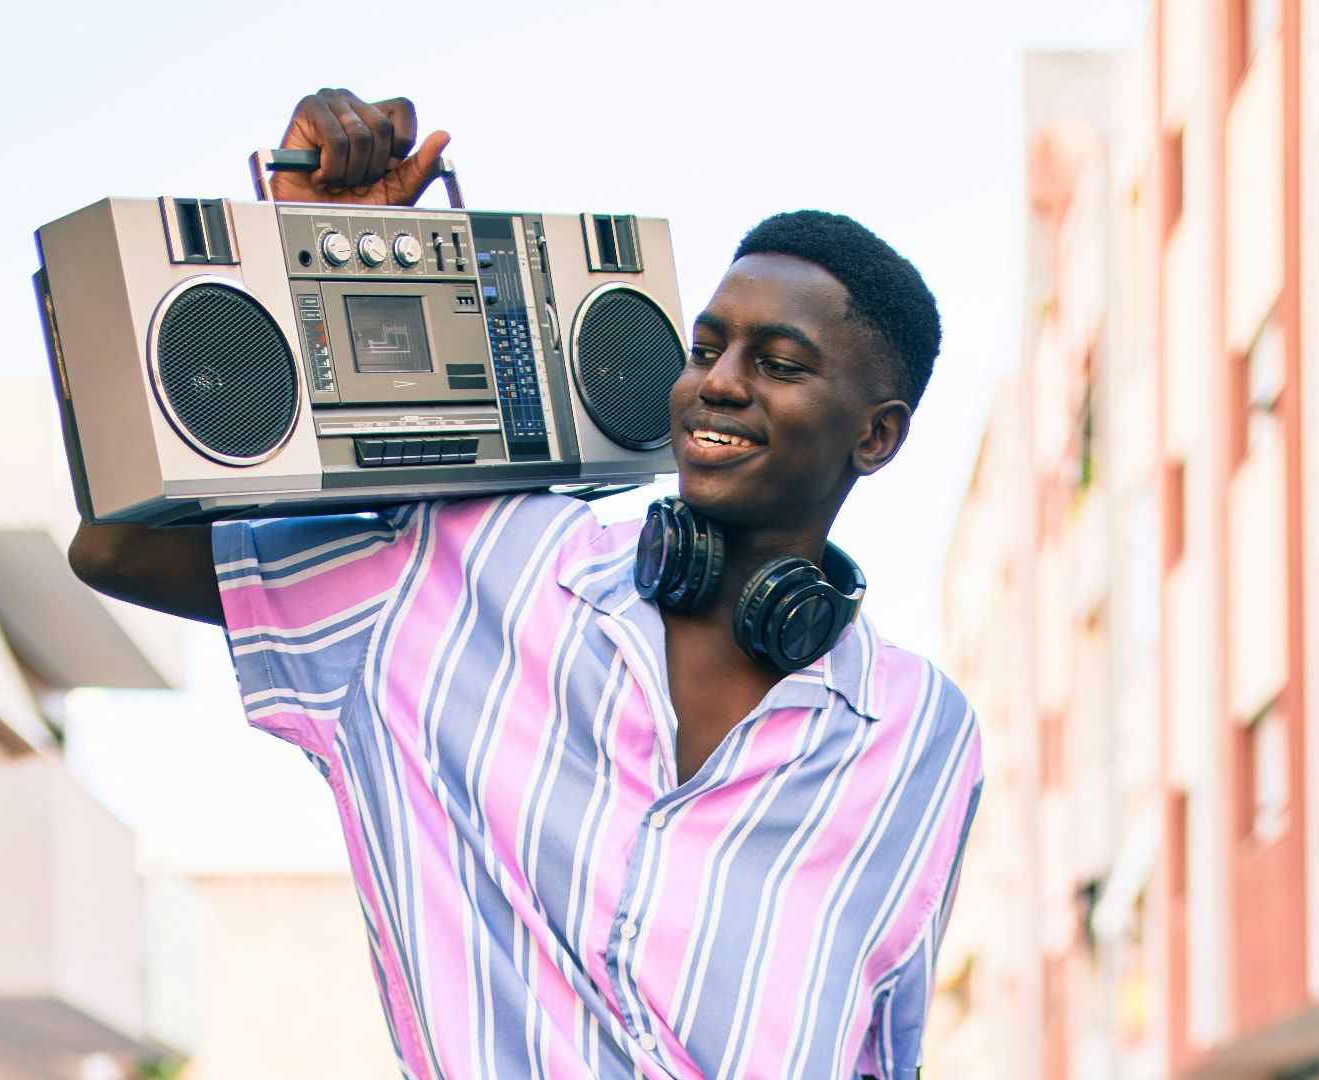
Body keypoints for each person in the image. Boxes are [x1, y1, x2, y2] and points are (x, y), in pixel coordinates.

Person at [69, 88, 982, 1080]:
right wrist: (308, 264)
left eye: (778, 362)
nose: (719, 381)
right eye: (706, 347)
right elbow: (115, 547)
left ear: (876, 434)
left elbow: (883, 1054)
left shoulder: (924, 733)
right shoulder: (475, 566)